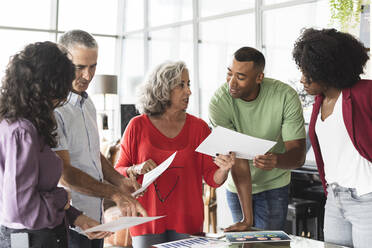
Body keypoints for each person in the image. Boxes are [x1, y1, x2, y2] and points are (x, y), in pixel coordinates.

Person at [115, 61, 235, 248]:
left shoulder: (199, 128)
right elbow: (118, 172)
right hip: (146, 221)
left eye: (189, 85)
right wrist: (136, 168)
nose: (188, 91)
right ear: (163, 88)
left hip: (188, 222)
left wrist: (224, 169)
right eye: (181, 85)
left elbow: (212, 178)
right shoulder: (137, 126)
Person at [0, 41, 106, 248]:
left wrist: (76, 217)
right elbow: (21, 210)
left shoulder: (18, 125)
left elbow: (36, 192)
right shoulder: (22, 131)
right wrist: (60, 198)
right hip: (31, 239)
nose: (63, 96)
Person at [54, 30, 146, 248]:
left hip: (96, 219)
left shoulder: (88, 104)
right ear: (61, 63)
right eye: (80, 67)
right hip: (70, 221)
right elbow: (65, 174)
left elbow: (93, 154)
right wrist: (114, 193)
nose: (88, 75)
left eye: (93, 66)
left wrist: (119, 180)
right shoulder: (55, 111)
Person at [209, 47, 306, 231]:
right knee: (244, 241)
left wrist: (276, 160)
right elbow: (237, 159)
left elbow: (298, 155)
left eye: (241, 77)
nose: (232, 83)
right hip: (238, 186)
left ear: (259, 77)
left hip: (274, 185)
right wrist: (247, 219)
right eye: (229, 74)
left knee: (267, 245)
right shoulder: (219, 102)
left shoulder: (285, 96)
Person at [293, 28, 372, 248]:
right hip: (335, 201)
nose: (302, 79)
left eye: (308, 72)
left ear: (327, 69)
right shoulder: (319, 102)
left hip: (367, 199)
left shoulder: (365, 93)